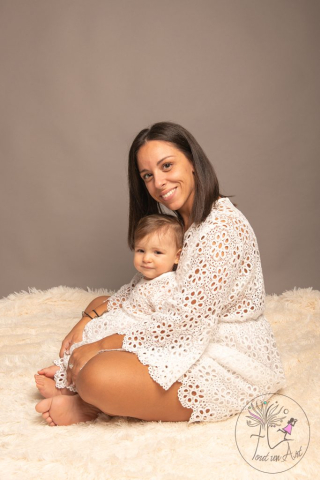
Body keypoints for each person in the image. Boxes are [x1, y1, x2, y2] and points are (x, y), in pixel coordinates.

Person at [35, 121, 287, 426]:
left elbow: (184, 322)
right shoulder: (181, 226)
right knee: (106, 315)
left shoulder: (221, 231)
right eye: (148, 176)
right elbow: (135, 292)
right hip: (187, 333)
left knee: (98, 375)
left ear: (193, 162)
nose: (159, 183)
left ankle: (89, 402)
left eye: (167, 166)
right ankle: (78, 384)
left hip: (226, 353)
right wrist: (86, 322)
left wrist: (101, 347)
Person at [35, 214, 183, 397]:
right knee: (91, 332)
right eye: (141, 251)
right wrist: (86, 321)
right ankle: (64, 368)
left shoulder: (168, 285)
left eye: (157, 253)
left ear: (177, 256)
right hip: (121, 318)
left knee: (102, 355)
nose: (147, 259)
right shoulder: (141, 277)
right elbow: (121, 297)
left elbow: (160, 323)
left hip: (134, 331)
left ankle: (66, 388)